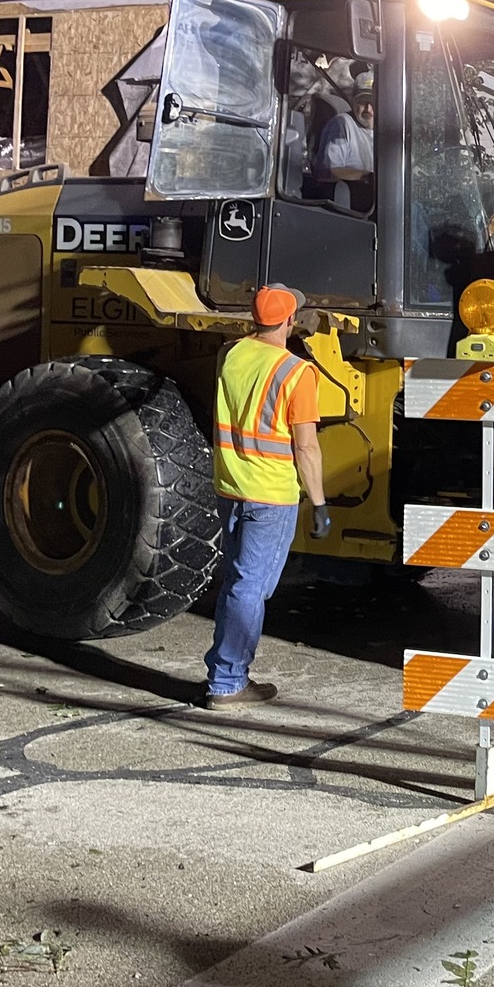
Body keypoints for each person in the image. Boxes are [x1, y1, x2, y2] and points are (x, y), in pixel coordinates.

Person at [204, 285, 330, 709]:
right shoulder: (297, 373)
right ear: (290, 322)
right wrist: (320, 501)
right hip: (271, 495)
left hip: (230, 487)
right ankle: (227, 682)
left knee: (238, 581)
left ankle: (225, 672)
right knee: (250, 587)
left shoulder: (230, 355)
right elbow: (306, 447)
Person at [314, 91, 375, 211]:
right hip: (351, 205)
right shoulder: (341, 124)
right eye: (363, 103)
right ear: (353, 102)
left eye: (373, 102)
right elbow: (329, 171)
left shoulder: (385, 130)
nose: (368, 109)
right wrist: (367, 176)